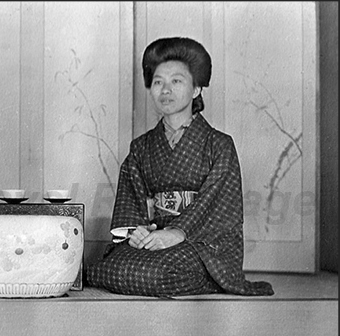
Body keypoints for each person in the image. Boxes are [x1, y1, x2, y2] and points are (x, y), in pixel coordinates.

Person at [86, 37, 274, 297]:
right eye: (158, 82)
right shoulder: (141, 147)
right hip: (156, 237)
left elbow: (218, 204)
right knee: (103, 269)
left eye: (176, 81)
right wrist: (137, 233)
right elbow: (132, 201)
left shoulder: (219, 144)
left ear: (196, 88)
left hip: (203, 242)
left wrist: (177, 232)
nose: (165, 90)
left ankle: (209, 276)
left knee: (164, 272)